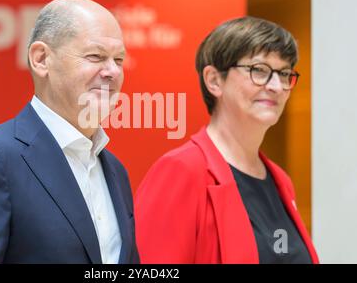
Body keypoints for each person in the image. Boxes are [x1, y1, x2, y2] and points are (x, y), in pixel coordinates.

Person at [0, 0, 140, 264]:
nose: (113, 71)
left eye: (119, 59)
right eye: (96, 56)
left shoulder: (115, 170)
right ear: (41, 59)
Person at [135, 17, 319, 264]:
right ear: (214, 80)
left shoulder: (281, 181)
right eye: (260, 71)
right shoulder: (182, 170)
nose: (276, 86)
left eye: (284, 74)